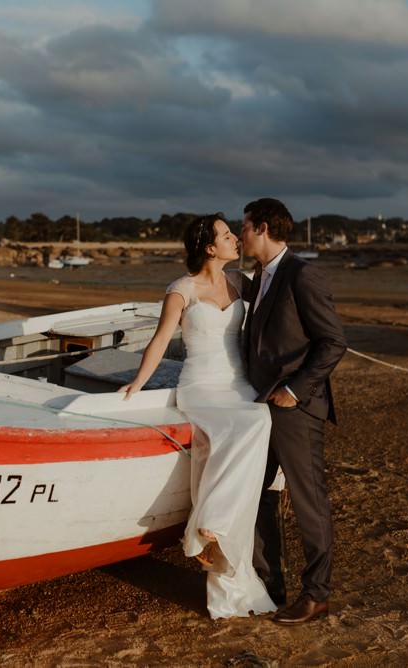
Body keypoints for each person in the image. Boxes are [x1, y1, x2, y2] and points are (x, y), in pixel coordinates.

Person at [120, 213, 277, 619]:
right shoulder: (181, 290)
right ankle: (210, 525)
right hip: (202, 387)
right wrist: (138, 383)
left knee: (257, 420)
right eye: (227, 236)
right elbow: (159, 341)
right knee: (251, 424)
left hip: (239, 385)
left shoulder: (240, 283)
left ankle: (219, 546)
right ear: (209, 247)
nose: (234, 241)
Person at [241, 197, 347, 625]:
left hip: (295, 410)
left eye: (244, 226)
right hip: (259, 409)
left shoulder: (302, 274)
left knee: (309, 504)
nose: (241, 233)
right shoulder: (259, 275)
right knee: (258, 495)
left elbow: (333, 341)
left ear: (263, 227)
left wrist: (294, 389)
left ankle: (316, 596)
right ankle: (270, 586)